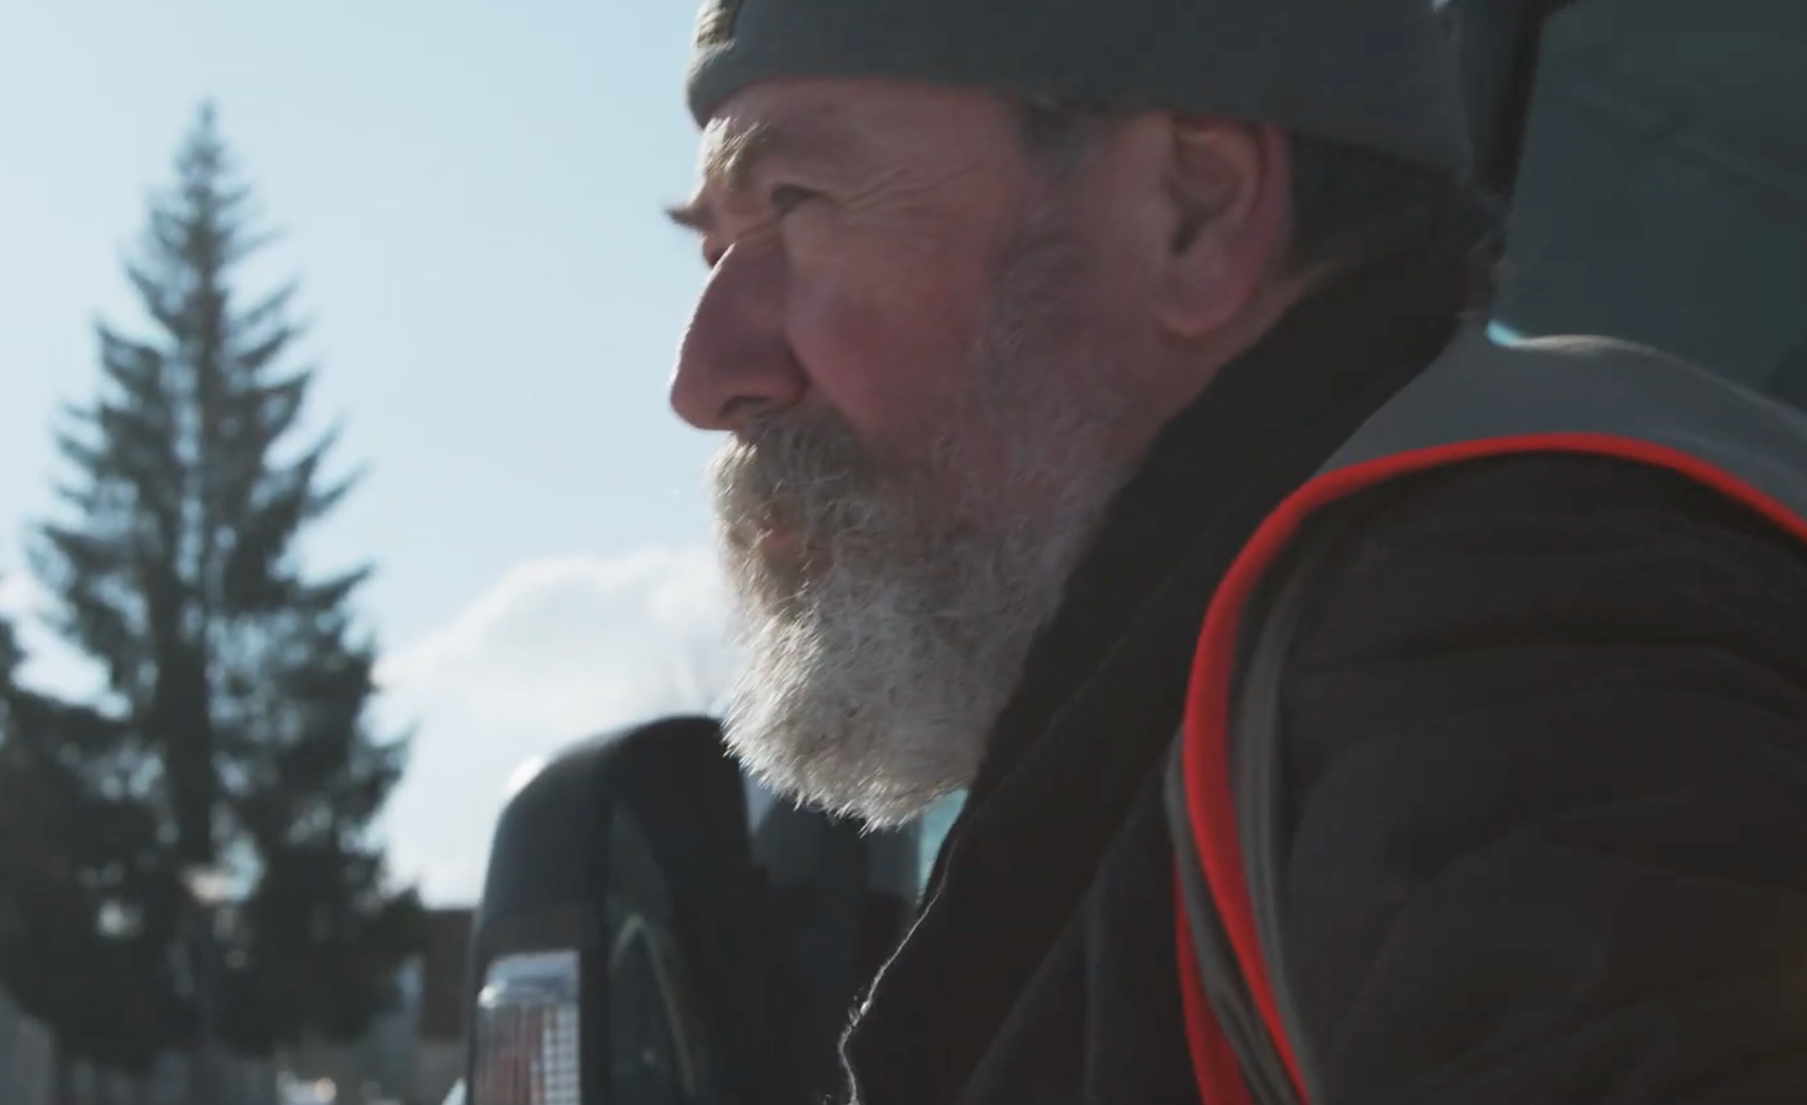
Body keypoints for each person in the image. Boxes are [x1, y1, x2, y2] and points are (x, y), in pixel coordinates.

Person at [664, 0, 1807, 1101]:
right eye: (712, 250)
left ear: (1193, 210)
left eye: (797, 204)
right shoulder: (1240, 682)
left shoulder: (1513, 635)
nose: (705, 376)